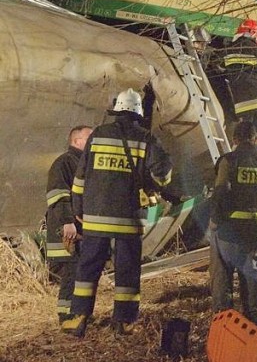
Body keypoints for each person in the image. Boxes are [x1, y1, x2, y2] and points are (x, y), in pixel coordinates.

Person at [61, 88, 173, 337]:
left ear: (116, 110)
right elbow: (162, 174)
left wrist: (79, 210)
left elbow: (80, 177)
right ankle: (123, 322)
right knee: (127, 271)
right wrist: (154, 183)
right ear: (138, 114)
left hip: (95, 218)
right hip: (127, 221)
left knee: (87, 269)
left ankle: (78, 318)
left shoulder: (98, 135)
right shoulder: (146, 139)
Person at [209, 120, 257, 326]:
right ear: (255, 138)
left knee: (222, 275)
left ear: (234, 139)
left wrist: (215, 221)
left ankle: (223, 320)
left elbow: (221, 192)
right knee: (252, 275)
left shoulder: (228, 161)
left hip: (229, 232)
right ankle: (254, 319)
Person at [45, 125, 93, 323]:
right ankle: (67, 316)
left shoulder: (82, 163)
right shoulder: (64, 162)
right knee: (71, 276)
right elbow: (58, 195)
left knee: (79, 274)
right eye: (89, 138)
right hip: (67, 232)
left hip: (79, 232)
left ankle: (79, 315)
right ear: (76, 141)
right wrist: (68, 223)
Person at [209, 19, 257, 134]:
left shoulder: (227, 51)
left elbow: (217, 68)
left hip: (242, 106)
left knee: (248, 136)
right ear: (252, 33)